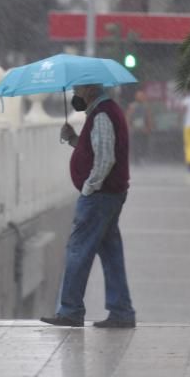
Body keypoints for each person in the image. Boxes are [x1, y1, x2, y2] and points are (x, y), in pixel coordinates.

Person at [41, 84, 136, 329]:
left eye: (78, 89)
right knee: (111, 253)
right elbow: (96, 150)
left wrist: (89, 187)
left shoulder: (103, 114)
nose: (75, 94)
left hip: (100, 197)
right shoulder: (102, 112)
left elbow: (105, 158)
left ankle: (70, 311)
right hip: (109, 195)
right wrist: (73, 139)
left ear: (91, 89)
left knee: (77, 251)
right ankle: (121, 311)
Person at [125, 90, 153, 165]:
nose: (141, 97)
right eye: (139, 96)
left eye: (142, 96)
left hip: (143, 128)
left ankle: (142, 157)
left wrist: (149, 127)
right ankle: (136, 159)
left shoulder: (146, 106)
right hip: (135, 128)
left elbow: (148, 117)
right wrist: (128, 127)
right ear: (136, 97)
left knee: (144, 143)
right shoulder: (132, 106)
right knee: (136, 144)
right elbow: (128, 117)